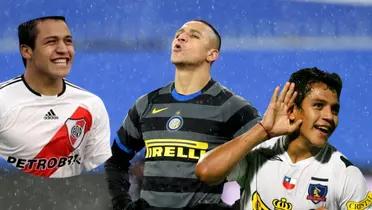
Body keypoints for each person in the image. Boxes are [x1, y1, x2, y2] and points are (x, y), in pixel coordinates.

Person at [104, 19, 261, 210]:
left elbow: (268, 164)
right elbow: (116, 160)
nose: (181, 37)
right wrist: (122, 205)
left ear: (212, 54)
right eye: (179, 33)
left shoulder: (233, 107)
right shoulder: (147, 104)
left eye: (194, 35)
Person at [196, 67, 372, 210]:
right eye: (318, 106)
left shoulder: (346, 175)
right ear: (292, 110)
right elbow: (205, 172)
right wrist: (263, 130)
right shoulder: (258, 152)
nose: (329, 116)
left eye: (334, 110)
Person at [0, 16, 112, 178]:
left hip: (72, 201)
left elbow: (99, 176)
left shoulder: (91, 104)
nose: (63, 49)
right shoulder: (3, 100)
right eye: (51, 42)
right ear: (26, 51)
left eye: (68, 41)